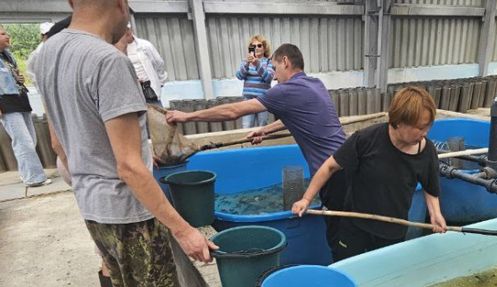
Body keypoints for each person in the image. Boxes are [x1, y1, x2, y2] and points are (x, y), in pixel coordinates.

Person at [33, 0, 218, 287]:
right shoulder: (108, 61)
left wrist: (84, 175)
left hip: (89, 201)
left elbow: (56, 143)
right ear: (119, 4)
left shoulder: (46, 53)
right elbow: (131, 167)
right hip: (126, 207)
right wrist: (183, 230)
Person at [166, 43, 347, 251]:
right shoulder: (315, 84)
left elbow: (233, 111)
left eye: (275, 68)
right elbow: (295, 116)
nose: (275, 77)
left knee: (339, 237)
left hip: (333, 176)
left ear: (285, 62)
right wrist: (265, 130)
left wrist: (187, 116)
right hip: (348, 164)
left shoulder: (286, 90)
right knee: (350, 229)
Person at [292, 86, 447, 261]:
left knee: (383, 278)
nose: (425, 133)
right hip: (355, 224)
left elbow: (430, 188)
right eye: (420, 128)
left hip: (392, 229)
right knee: (347, 269)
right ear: (399, 122)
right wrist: (306, 199)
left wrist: (435, 214)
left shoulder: (426, 152)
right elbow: (329, 167)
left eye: (428, 126)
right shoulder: (366, 139)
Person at [0, 25, 50, 187]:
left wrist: (19, 79)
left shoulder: (7, 55)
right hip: (6, 103)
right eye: (2, 34)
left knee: (30, 139)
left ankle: (26, 173)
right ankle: (34, 178)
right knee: (23, 141)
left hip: (20, 99)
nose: (7, 36)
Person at [236, 35, 273, 128]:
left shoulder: (269, 62)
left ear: (264, 48)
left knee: (262, 126)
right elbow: (239, 76)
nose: (256, 48)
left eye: (259, 45)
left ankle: (262, 143)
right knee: (247, 126)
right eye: (253, 46)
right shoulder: (245, 62)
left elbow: (268, 78)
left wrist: (257, 64)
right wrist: (247, 64)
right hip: (248, 99)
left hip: (263, 100)